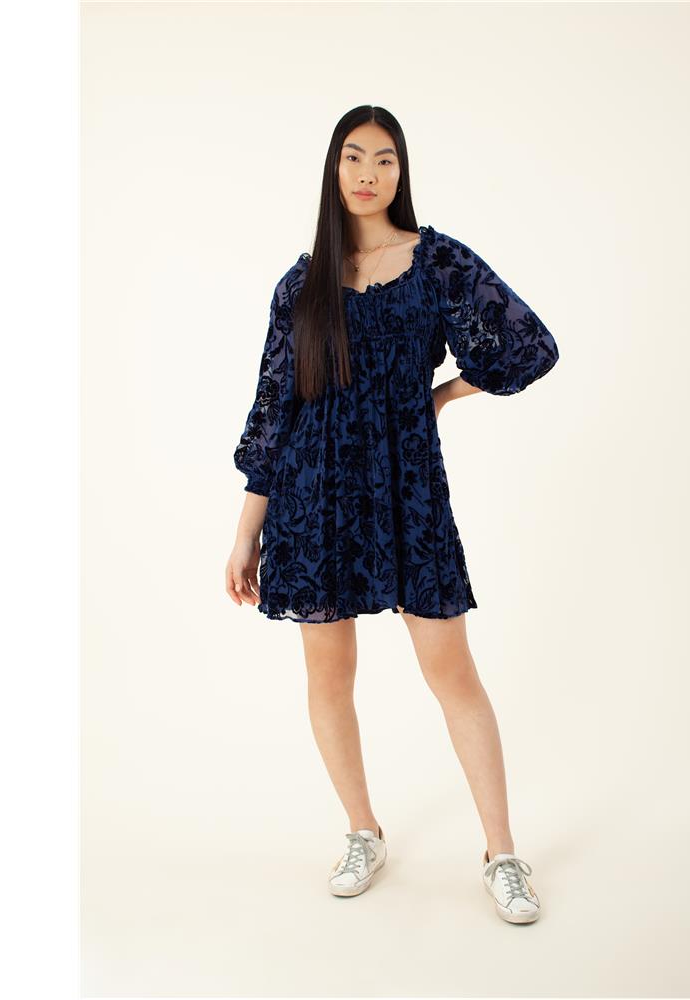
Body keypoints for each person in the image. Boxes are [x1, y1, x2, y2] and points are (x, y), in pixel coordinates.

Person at [225, 107, 558, 923]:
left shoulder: (436, 261)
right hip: (312, 492)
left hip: (408, 489)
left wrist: (442, 395)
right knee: (328, 674)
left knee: (452, 671)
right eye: (353, 157)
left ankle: (502, 853)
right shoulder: (300, 284)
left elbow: (528, 346)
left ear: (401, 171)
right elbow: (272, 410)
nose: (368, 172)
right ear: (333, 169)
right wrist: (245, 534)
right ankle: (362, 831)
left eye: (384, 158)